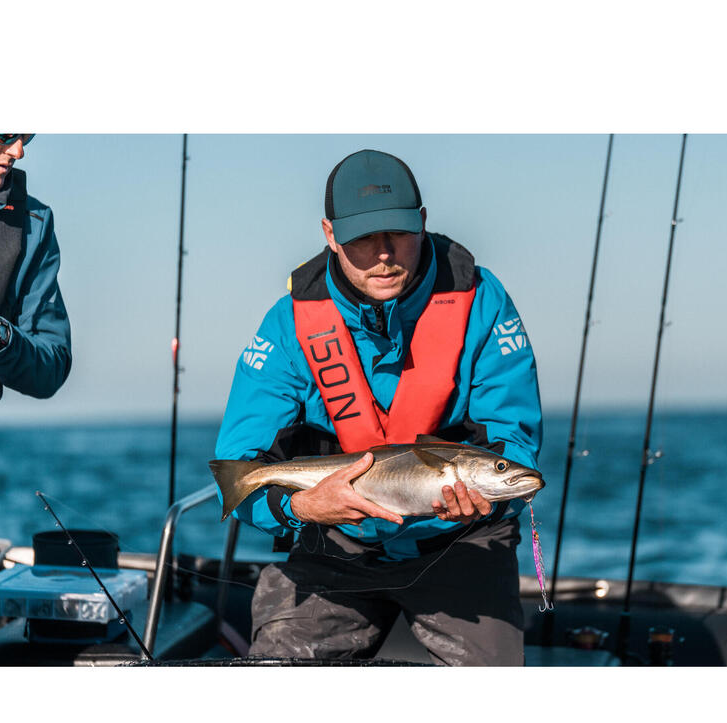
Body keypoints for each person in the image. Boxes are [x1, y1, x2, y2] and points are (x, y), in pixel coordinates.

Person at [215, 149, 542, 665]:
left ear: (424, 223)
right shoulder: (289, 322)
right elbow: (239, 461)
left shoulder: (482, 300)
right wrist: (302, 508)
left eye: (399, 233)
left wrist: (491, 498)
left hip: (461, 543)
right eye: (362, 238)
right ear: (330, 234)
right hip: (334, 545)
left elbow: (514, 436)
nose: (384, 253)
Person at [0, 134, 71, 402]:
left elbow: (52, 364)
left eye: (25, 137)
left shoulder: (34, 224)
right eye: (5, 135)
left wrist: (2, 338)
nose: (18, 151)